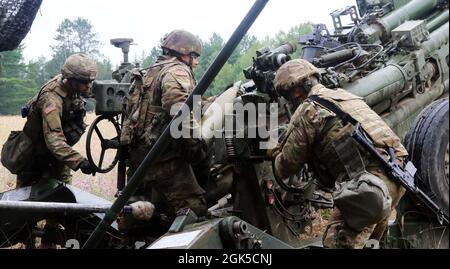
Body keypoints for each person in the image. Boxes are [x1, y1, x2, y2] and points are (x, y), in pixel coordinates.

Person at [269, 59, 408, 249]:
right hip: (397, 175)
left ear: (296, 91)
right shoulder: (343, 96)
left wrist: (273, 153)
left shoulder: (308, 110)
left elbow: (287, 165)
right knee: (371, 244)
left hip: (370, 187)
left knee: (336, 243)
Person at [119, 30, 209, 236]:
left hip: (139, 156)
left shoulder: (149, 71)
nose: (195, 63)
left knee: (136, 211)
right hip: (162, 158)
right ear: (183, 54)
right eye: (194, 57)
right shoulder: (177, 71)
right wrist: (197, 148)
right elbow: (180, 110)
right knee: (194, 212)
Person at [17, 53, 97, 187]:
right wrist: (80, 162)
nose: (89, 86)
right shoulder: (51, 100)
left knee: (65, 200)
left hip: (57, 160)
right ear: (71, 79)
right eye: (84, 82)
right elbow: (54, 141)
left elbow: (93, 91)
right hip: (34, 163)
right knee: (27, 204)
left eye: (90, 82)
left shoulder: (74, 87)